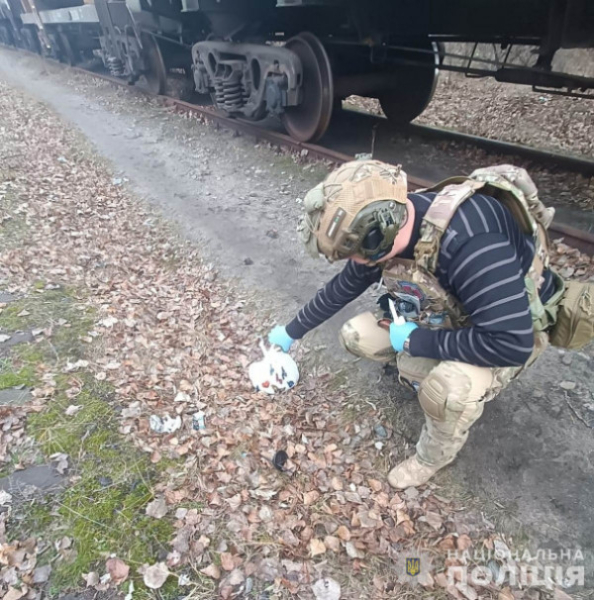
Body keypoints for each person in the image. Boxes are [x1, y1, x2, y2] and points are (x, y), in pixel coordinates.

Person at [268, 160, 560, 489]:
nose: (353, 264)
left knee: (446, 391)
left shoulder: (471, 241)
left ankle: (432, 456)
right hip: (450, 315)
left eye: (353, 255)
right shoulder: (387, 226)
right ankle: (418, 372)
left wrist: (414, 342)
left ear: (379, 235)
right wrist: (291, 332)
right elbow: (342, 288)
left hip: (506, 329)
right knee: (356, 335)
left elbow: (511, 343)